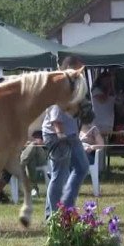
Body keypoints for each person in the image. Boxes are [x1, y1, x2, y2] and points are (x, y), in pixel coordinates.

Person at [43, 56, 89, 218]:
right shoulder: (60, 86)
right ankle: (52, 215)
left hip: (70, 134)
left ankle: (67, 206)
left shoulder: (72, 86)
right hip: (57, 134)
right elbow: (56, 116)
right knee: (59, 175)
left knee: (82, 167)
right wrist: (60, 135)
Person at [20, 130, 48, 197]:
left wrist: (41, 142)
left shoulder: (46, 130)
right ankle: (34, 189)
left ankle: (20, 167)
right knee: (31, 161)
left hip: (44, 156)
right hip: (32, 158)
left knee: (34, 145)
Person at [91, 70, 116, 139]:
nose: (108, 82)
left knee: (105, 145)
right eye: (107, 80)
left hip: (109, 121)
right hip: (99, 122)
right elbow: (102, 101)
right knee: (100, 145)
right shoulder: (96, 90)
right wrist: (108, 90)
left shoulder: (111, 90)